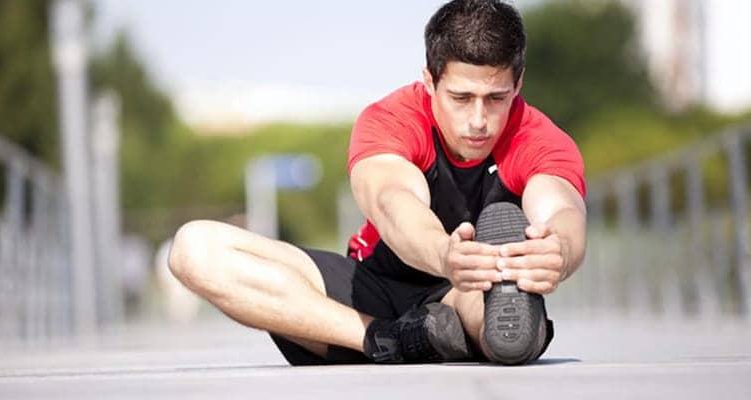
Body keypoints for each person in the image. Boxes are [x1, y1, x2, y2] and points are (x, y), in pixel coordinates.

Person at [168, 0, 586, 366]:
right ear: (429, 81)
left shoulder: (537, 137)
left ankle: (498, 335)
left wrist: (557, 251)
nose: (478, 120)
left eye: (496, 98)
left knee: (485, 304)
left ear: (519, 84)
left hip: (460, 294)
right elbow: (393, 200)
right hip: (362, 294)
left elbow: (562, 208)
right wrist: (444, 253)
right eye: (460, 98)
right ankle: (385, 339)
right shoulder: (391, 119)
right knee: (193, 247)